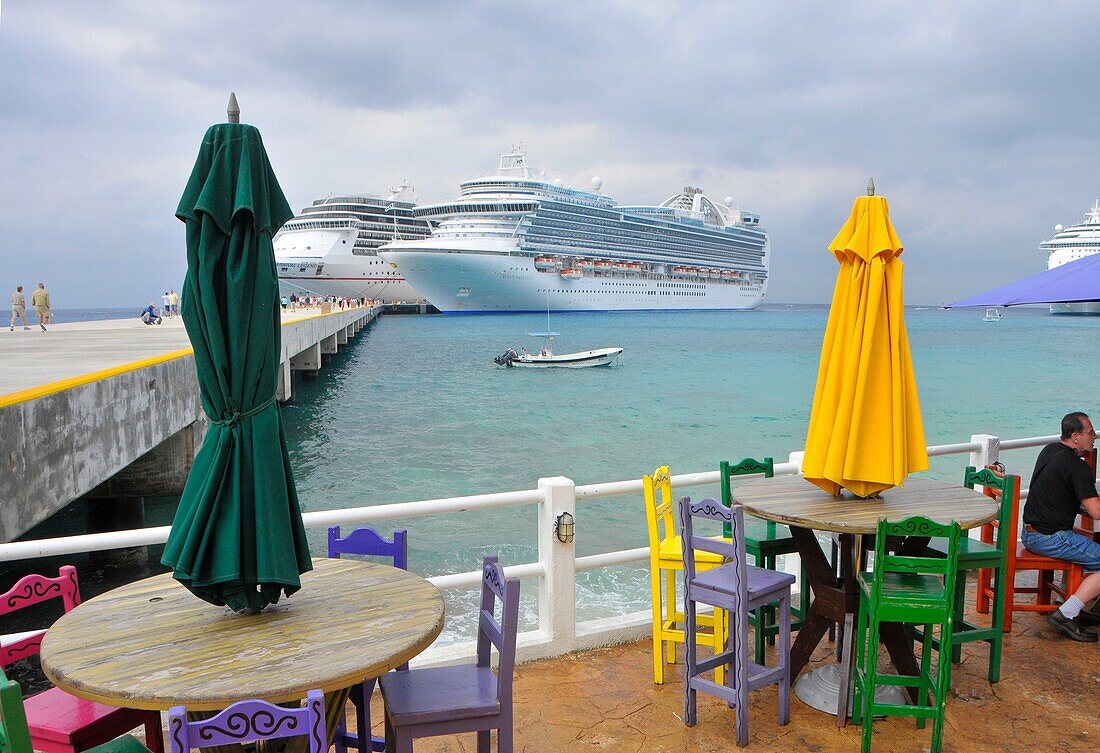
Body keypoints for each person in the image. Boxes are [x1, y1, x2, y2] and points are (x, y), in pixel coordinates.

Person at [1020, 411, 1100, 641]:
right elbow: (1096, 512)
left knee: (1087, 546)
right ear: (1076, 436)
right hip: (1050, 537)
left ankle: (1069, 602)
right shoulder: (1078, 467)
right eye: (1090, 432)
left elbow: (1057, 493)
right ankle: (1066, 613)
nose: (1094, 437)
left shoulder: (1050, 450)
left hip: (1029, 531)